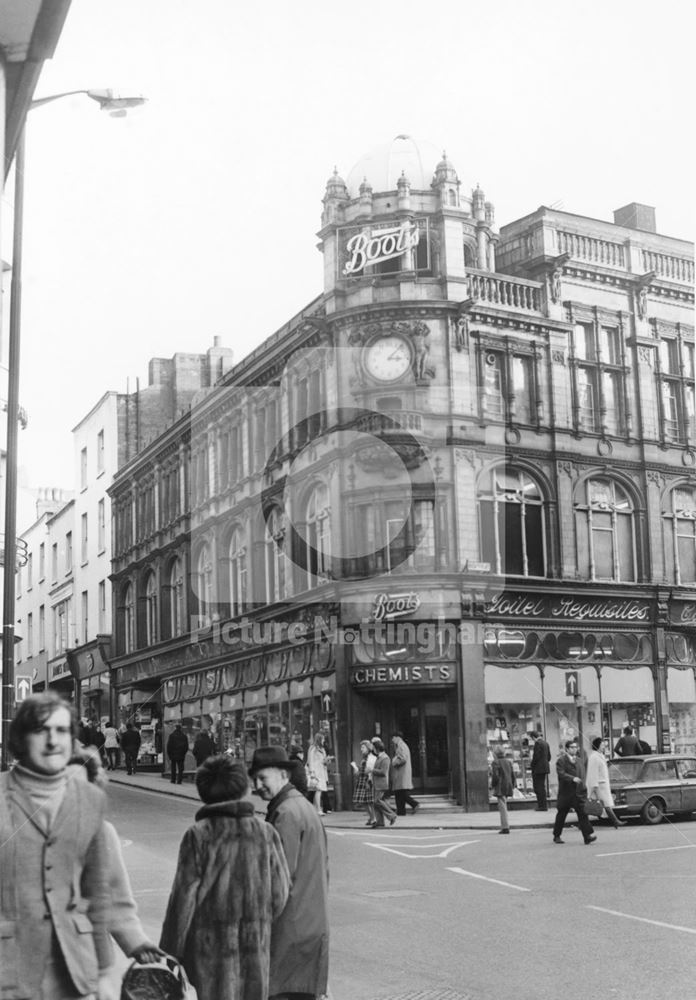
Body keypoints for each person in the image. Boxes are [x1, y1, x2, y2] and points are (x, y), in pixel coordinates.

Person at [0, 692, 115, 999]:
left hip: (73, 971)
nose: (53, 741)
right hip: (9, 972)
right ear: (21, 738)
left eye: (62, 730)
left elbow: (97, 891)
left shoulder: (91, 798)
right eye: (41, 730)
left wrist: (103, 973)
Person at [161, 755, 291, 1000]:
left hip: (211, 952)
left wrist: (171, 951)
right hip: (256, 949)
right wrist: (258, 920)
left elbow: (182, 900)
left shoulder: (199, 835)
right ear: (242, 788)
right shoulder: (265, 833)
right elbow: (280, 894)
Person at [250, 746, 329, 1000]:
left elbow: (277, 879)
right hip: (309, 924)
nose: (258, 785)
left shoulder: (286, 813)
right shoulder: (302, 806)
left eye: (263, 778)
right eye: (255, 779)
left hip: (290, 930)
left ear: (283, 774)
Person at [552, 739, 597, 845]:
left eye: (576, 747)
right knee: (561, 815)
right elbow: (561, 774)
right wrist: (572, 778)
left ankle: (587, 836)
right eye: (572, 747)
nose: (574, 749)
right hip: (566, 793)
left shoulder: (580, 760)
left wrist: (584, 787)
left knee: (582, 814)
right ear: (567, 749)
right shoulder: (561, 760)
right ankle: (557, 835)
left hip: (578, 792)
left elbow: (583, 774)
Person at [586, 736, 626, 828]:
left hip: (602, 784)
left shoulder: (599, 756)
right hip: (599, 785)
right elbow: (593, 772)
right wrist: (593, 786)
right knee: (604, 804)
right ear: (597, 746)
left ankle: (615, 822)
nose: (604, 747)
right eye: (602, 745)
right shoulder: (594, 757)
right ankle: (616, 821)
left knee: (603, 804)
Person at [371, 737, 397, 828]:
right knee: (375, 803)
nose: (373, 750)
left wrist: (371, 770)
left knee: (377, 801)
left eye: (373, 748)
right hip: (377, 783)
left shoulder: (385, 758)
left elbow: (383, 772)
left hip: (381, 783)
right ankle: (380, 822)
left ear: (377, 749)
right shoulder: (379, 757)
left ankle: (392, 815)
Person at [390, 733, 419, 815]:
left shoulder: (401, 746)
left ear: (397, 737)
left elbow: (402, 759)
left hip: (401, 772)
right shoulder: (402, 745)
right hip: (402, 772)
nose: (392, 740)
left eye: (393, 738)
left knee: (400, 792)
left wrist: (394, 762)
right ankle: (401, 811)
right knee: (399, 792)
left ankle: (414, 804)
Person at [351, 739, 377, 826]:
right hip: (361, 780)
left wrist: (369, 781)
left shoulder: (371, 758)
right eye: (361, 747)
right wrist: (356, 769)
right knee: (364, 801)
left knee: (370, 801)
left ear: (368, 748)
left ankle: (373, 818)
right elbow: (362, 770)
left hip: (367, 781)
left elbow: (370, 770)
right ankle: (371, 817)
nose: (361, 749)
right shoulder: (364, 758)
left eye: (363, 747)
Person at [491, 747, 515, 834]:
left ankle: (505, 827)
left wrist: (493, 785)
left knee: (502, 807)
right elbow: (512, 775)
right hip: (508, 785)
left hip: (500, 786)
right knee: (504, 805)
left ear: (495, 754)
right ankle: (505, 826)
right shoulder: (508, 762)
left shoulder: (495, 762)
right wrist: (513, 784)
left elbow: (495, 776)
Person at [306, 731, 331, 815]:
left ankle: (317, 809)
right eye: (323, 739)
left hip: (321, 771)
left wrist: (327, 760)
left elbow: (323, 761)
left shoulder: (322, 749)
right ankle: (318, 809)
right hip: (316, 772)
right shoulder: (313, 748)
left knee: (319, 791)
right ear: (319, 739)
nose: (324, 740)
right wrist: (312, 772)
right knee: (318, 790)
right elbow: (310, 760)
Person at [529, 730, 551, 811]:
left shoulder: (537, 743)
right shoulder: (546, 743)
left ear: (533, 737)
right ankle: (543, 805)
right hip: (544, 768)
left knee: (538, 787)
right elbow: (549, 757)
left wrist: (532, 765)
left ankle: (542, 806)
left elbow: (536, 757)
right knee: (542, 787)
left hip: (538, 769)